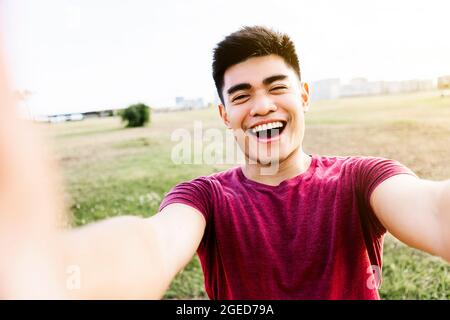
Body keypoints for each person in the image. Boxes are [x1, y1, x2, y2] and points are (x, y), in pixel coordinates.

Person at [1, 26, 449, 299]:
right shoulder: (205, 197)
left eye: (277, 87)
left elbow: (432, 210)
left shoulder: (361, 179)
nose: (261, 106)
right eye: (241, 95)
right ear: (224, 115)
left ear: (304, 97)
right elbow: (152, 247)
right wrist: (50, 275)